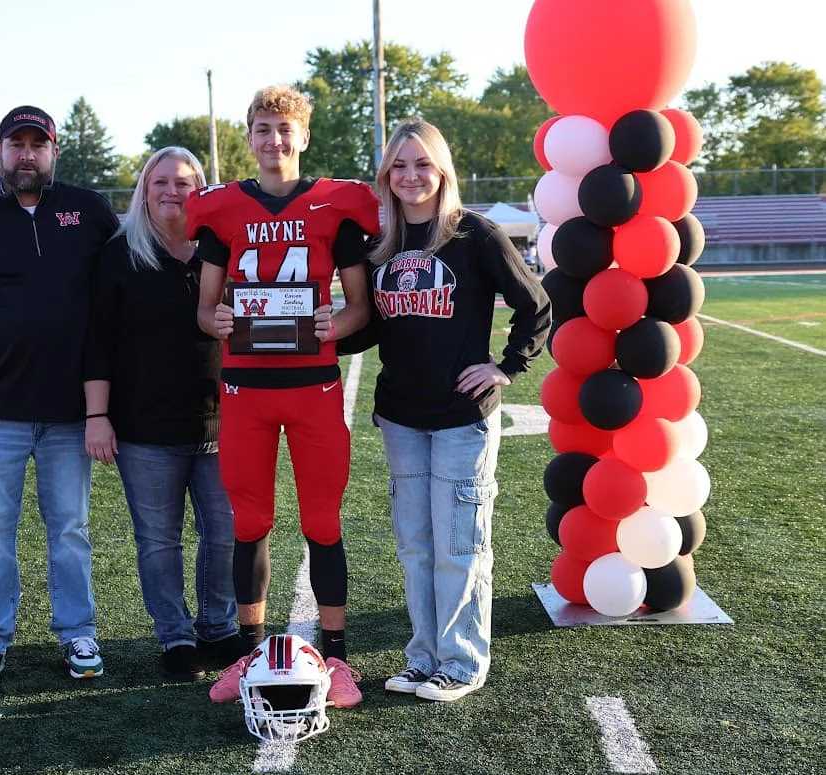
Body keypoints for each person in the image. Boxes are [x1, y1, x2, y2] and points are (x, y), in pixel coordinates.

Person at [339, 119, 551, 701]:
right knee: (415, 544)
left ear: (442, 171)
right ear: (386, 174)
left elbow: (535, 305)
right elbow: (369, 330)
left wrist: (506, 368)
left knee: (460, 543)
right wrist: (310, 333)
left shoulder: (473, 234)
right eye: (399, 166)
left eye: (422, 164)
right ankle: (423, 654)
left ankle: (461, 662)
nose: (411, 176)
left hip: (462, 417)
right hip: (402, 415)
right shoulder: (377, 245)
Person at [188, 85, 380, 708]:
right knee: (252, 522)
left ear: (303, 137)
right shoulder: (222, 209)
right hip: (245, 390)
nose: (274, 140)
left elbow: (358, 307)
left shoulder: (335, 204)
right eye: (263, 129)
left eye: (285, 129)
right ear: (249, 138)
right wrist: (215, 320)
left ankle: (339, 656)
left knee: (323, 521)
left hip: (314, 388)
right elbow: (205, 310)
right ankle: (249, 651)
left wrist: (337, 324)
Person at [0, 105, 120, 689]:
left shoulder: (87, 210)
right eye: (17, 144)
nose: (27, 154)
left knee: (69, 529)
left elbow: (113, 287)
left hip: (69, 412)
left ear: (54, 151)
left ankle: (78, 630)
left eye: (39, 144)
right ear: (2, 150)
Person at [83, 147, 241, 681]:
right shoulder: (119, 254)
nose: (173, 191)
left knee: (223, 531)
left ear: (202, 189)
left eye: (185, 182)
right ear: (144, 189)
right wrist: (96, 416)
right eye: (162, 182)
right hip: (144, 426)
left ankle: (217, 628)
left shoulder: (224, 249)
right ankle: (175, 637)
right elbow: (98, 343)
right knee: (159, 539)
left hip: (220, 419)